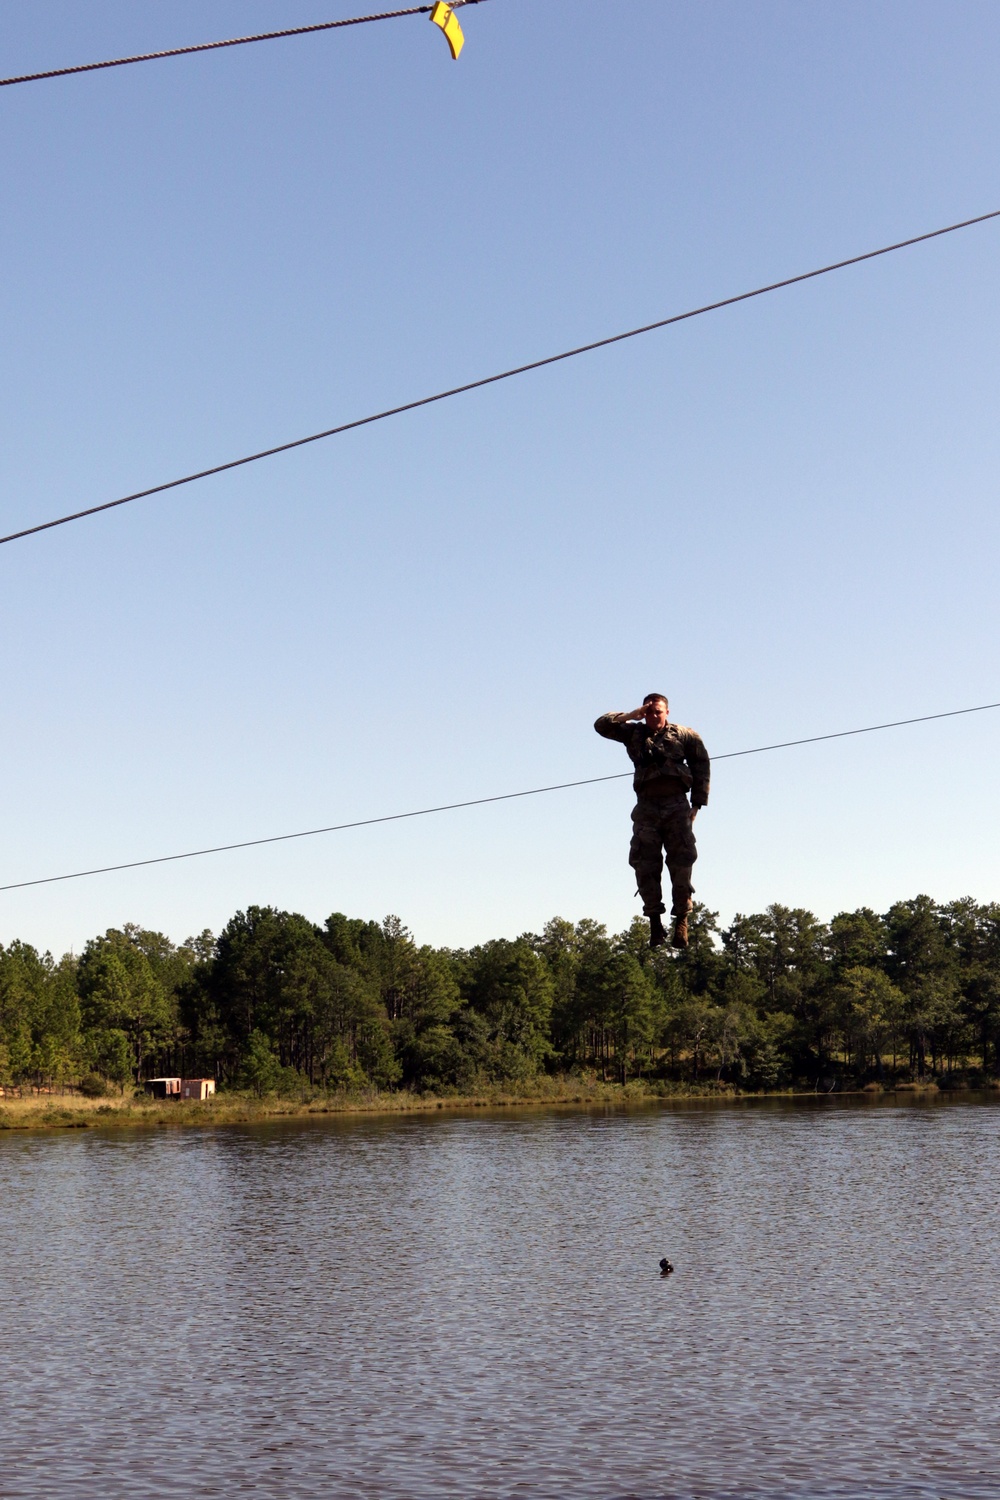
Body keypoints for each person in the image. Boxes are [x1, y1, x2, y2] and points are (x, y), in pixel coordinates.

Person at [594, 694, 710, 950]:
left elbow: (701, 763)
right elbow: (601, 725)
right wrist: (629, 716)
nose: (653, 716)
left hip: (677, 806)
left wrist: (697, 803)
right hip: (647, 807)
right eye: (648, 712)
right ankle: (655, 922)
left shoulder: (684, 734)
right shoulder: (633, 733)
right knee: (644, 863)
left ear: (667, 711)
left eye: (657, 711)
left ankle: (681, 918)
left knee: (682, 860)